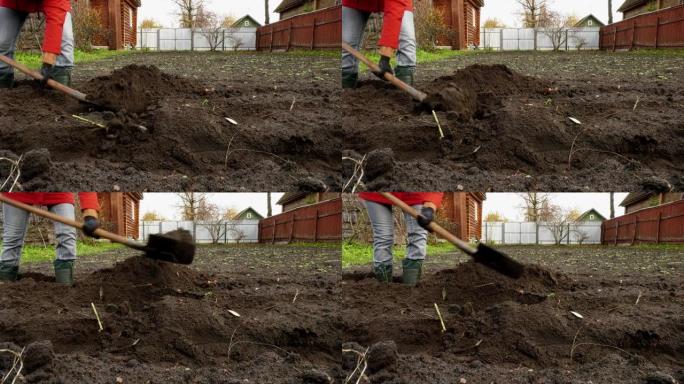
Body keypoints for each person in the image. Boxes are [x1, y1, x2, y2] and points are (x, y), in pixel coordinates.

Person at [0, 193, 101, 285]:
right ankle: (5, 287)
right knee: (12, 239)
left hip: (59, 191)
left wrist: (90, 214)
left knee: (67, 235)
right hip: (17, 192)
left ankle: (65, 288)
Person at [359, 192, 443, 286]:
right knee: (383, 237)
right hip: (377, 194)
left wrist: (429, 206)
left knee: (418, 235)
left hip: (414, 192)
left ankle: (411, 287)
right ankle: (383, 288)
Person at [342, 0, 417, 88]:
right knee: (348, 42)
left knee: (406, 40)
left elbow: (395, 9)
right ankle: (346, 90)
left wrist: (385, 59)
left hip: (396, 2)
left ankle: (404, 94)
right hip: (356, 1)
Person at [0, 0, 74, 88]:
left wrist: (48, 63)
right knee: (2, 40)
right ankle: (3, 82)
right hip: (13, 2)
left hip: (55, 2)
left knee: (64, 37)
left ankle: (60, 82)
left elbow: (56, 19)